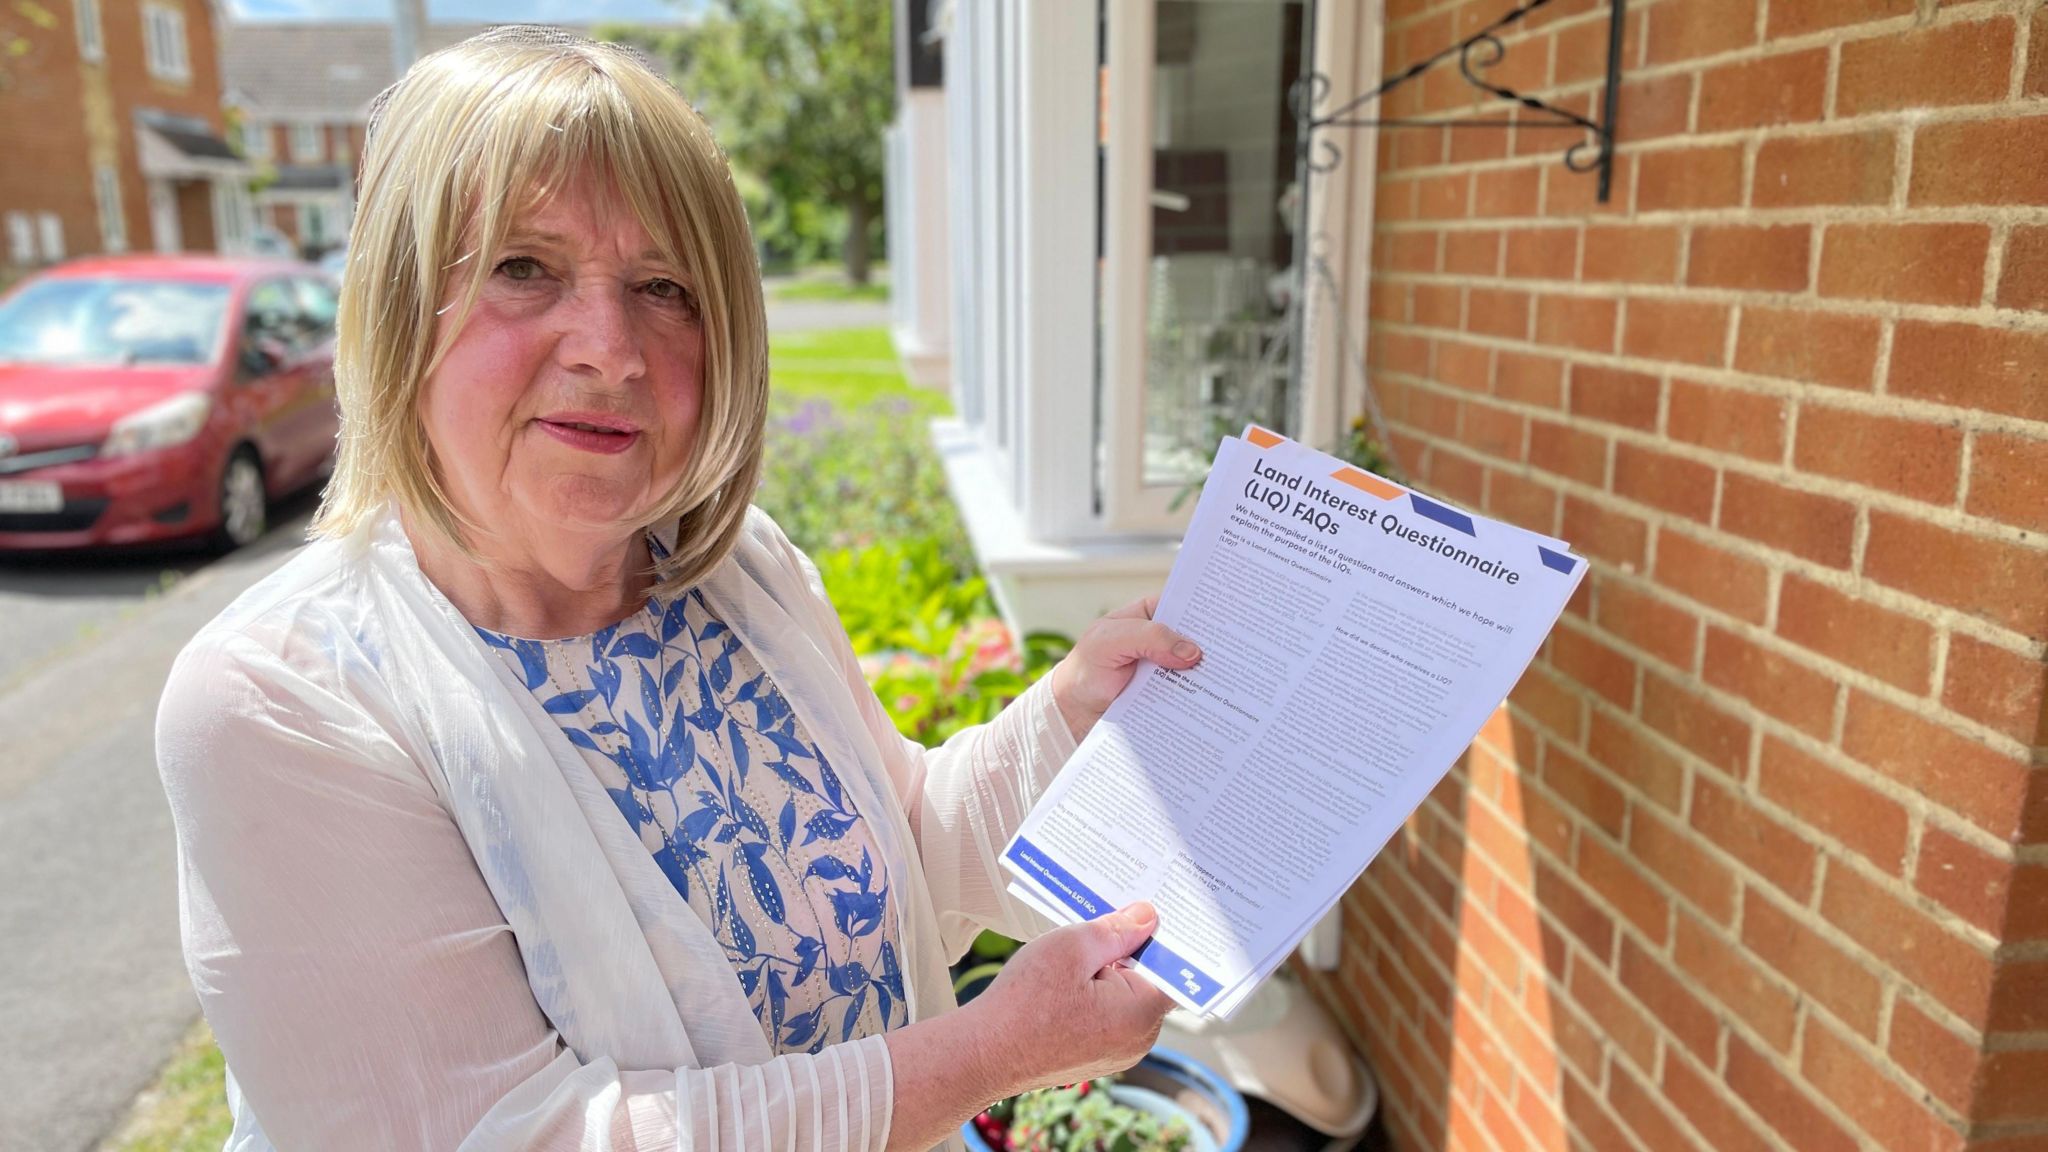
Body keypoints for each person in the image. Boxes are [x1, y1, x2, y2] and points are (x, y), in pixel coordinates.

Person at [154, 27, 1205, 1152]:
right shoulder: (280, 699)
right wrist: (992, 1054)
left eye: (664, 286)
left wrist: (1073, 716)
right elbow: (524, 1137)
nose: (609, 347)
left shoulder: (738, 569)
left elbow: (905, 850)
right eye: (524, 268)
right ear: (402, 307)